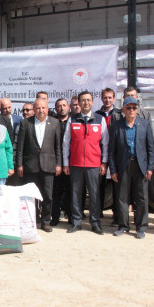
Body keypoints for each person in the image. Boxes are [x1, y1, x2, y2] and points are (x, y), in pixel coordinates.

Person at [62, 91, 107, 235]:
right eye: (83, 100)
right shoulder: (72, 119)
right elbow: (66, 143)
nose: (86, 103)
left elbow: (105, 143)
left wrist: (104, 162)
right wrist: (66, 163)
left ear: (92, 102)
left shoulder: (100, 119)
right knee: (75, 194)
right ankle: (76, 222)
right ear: (79, 103)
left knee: (94, 195)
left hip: (94, 164)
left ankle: (95, 222)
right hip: (76, 164)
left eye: (88, 100)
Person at [109, 97, 154, 239]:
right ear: (123, 109)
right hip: (123, 165)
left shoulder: (144, 124)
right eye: (128, 108)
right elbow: (111, 151)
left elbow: (150, 148)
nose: (131, 110)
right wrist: (113, 170)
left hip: (140, 165)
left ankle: (141, 227)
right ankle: (123, 226)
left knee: (141, 198)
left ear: (137, 109)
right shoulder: (116, 126)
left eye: (134, 108)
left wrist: (150, 167)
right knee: (122, 197)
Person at [16, 98, 62, 232]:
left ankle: (46, 221)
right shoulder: (26, 123)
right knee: (31, 196)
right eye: (38, 108)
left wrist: (59, 164)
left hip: (49, 165)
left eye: (43, 108)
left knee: (48, 196)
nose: (41, 110)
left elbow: (58, 147)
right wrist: (19, 164)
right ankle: (32, 220)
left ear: (47, 109)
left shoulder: (55, 123)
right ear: (34, 110)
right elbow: (20, 147)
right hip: (30, 166)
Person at [96, 88, 120, 226]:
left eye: (110, 97)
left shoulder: (119, 114)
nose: (107, 100)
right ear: (101, 99)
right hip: (101, 153)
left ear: (114, 99)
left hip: (116, 153)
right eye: (105, 97)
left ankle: (116, 213)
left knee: (117, 184)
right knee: (99, 184)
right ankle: (98, 212)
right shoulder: (97, 114)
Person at [51, 98, 71, 227]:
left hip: (70, 163)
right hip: (55, 163)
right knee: (55, 192)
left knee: (70, 191)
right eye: (59, 106)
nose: (62, 108)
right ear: (55, 108)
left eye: (64, 105)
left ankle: (71, 216)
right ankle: (55, 216)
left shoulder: (73, 121)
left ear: (68, 107)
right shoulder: (52, 122)